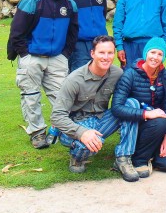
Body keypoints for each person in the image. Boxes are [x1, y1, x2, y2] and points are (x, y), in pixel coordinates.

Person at [7, 0, 78, 149]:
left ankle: (62, 129)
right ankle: (37, 133)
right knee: (31, 95)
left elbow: (73, 32)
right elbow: (16, 31)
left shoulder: (69, 3)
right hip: (32, 56)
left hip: (57, 58)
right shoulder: (33, 0)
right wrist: (24, 53)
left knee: (62, 96)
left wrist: (65, 54)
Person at [51, 35, 138, 176]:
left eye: (110, 53)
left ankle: (123, 158)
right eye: (101, 52)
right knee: (85, 145)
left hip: (101, 119)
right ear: (92, 54)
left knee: (132, 104)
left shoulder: (117, 73)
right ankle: (77, 156)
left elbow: (124, 101)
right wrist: (82, 133)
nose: (106, 57)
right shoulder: (74, 79)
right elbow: (57, 117)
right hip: (76, 124)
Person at [111, 37, 166, 181]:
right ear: (146, 53)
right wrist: (146, 114)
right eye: (152, 52)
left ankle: (151, 153)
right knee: (160, 121)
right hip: (137, 124)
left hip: (159, 127)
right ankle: (139, 160)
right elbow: (116, 107)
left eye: (160, 54)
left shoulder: (165, 76)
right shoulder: (131, 74)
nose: (155, 57)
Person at [66, 0, 108, 73]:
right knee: (79, 77)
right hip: (79, 45)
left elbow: (103, 16)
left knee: (101, 76)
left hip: (100, 43)